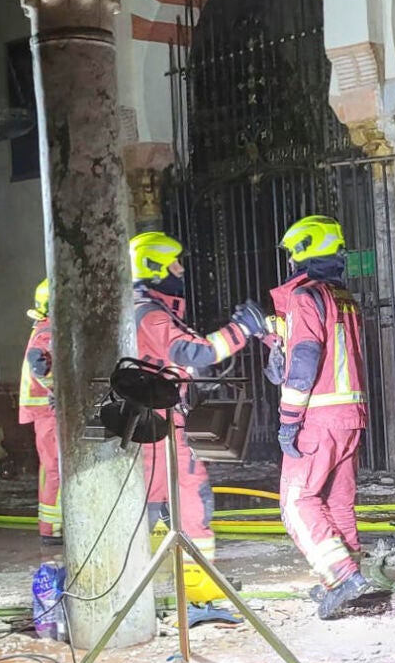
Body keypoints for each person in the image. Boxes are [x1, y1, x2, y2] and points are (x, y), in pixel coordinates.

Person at [130, 231, 266, 621]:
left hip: (157, 425)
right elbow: (193, 351)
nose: (181, 270)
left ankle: (178, 596)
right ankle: (190, 597)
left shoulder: (148, 311)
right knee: (182, 505)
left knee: (166, 507)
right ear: (155, 266)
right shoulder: (150, 314)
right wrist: (242, 330)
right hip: (159, 428)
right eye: (174, 263)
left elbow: (182, 358)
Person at [263, 215, 379, 619]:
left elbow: (305, 358)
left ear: (305, 251)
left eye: (292, 254)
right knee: (337, 502)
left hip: (318, 417)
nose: (290, 262)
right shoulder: (341, 297)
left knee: (297, 503)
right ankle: (350, 580)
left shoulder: (304, 296)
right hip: (351, 415)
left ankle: (342, 577)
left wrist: (288, 419)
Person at [19, 278, 61, 546]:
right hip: (49, 411)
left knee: (52, 468)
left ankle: (52, 526)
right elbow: (39, 365)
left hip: (46, 410)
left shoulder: (44, 328)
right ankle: (53, 529)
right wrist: (58, 391)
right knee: (56, 468)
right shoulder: (48, 331)